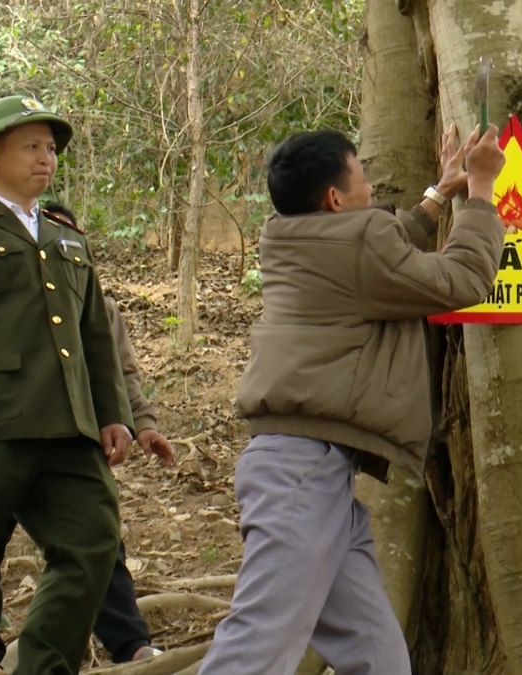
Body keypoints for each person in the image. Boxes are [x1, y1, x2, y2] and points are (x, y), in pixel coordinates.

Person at [198, 123, 506, 675]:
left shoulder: (297, 238)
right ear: (335, 198)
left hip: (315, 470)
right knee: (261, 644)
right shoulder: (358, 248)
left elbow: (383, 253)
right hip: (302, 473)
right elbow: (462, 279)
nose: (370, 190)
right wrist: (481, 190)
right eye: (361, 177)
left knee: (376, 656)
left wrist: (440, 193)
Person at [0, 95, 133, 675]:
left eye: (51, 149)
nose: (46, 159)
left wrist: (112, 413)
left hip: (69, 426)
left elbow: (96, 335)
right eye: (32, 147)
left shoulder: (68, 239)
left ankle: (43, 666)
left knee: (93, 545)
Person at [0, 288, 176, 675]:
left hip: (70, 444)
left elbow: (119, 372)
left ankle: (132, 646)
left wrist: (143, 424)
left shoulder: (96, 301)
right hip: (0, 435)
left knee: (97, 540)